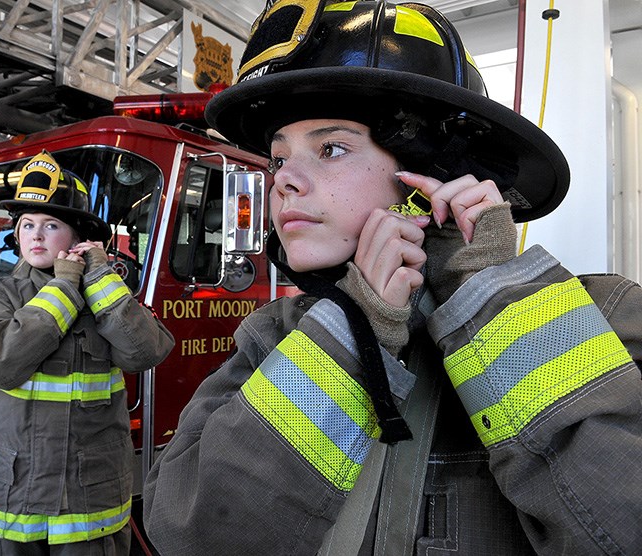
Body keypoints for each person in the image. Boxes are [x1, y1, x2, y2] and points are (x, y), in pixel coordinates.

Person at [142, 1, 642, 554]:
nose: (284, 183)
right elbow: (192, 537)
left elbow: (619, 528)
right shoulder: (273, 338)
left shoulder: (605, 317)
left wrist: (490, 296)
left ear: (432, 175)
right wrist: (353, 332)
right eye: (279, 159)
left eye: (331, 148)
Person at [0, 150, 175, 555]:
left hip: (87, 505)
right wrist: (62, 289)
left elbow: (145, 352)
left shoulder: (107, 296)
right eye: (26, 225)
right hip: (10, 503)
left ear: (78, 238)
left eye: (50, 224)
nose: (35, 235)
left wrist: (97, 277)